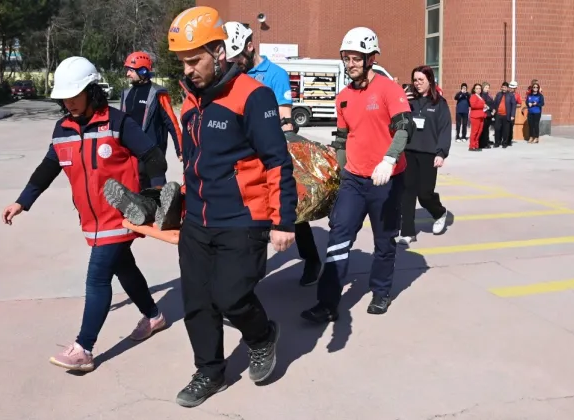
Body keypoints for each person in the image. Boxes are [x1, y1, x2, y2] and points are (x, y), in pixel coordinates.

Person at [0, 56, 169, 373]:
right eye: (64, 97)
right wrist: (23, 201)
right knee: (125, 268)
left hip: (122, 214)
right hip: (90, 219)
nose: (69, 103)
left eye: (75, 95)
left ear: (93, 91)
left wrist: (157, 191)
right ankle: (154, 316)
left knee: (97, 278)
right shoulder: (62, 128)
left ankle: (84, 348)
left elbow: (152, 155)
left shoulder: (118, 122)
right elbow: (49, 167)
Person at [167, 6, 297, 407]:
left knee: (231, 297)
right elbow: (193, 164)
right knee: (197, 302)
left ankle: (261, 336)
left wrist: (283, 221)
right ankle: (209, 371)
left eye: (195, 60)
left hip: (244, 218)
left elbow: (277, 160)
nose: (188, 70)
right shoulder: (190, 104)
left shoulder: (253, 97)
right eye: (182, 62)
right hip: (198, 222)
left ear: (219, 52)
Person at [301, 27, 414, 323]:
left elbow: (404, 128)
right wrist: (335, 176)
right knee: (339, 236)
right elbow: (341, 140)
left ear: (371, 58)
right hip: (354, 178)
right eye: (346, 58)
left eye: (356, 58)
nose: (350, 63)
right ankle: (327, 303)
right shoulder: (343, 98)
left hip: (387, 179)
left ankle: (381, 290)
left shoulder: (390, 89)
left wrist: (389, 160)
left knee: (385, 240)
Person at [223, 20, 322, 287]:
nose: (235, 64)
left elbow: (285, 119)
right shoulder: (233, 75)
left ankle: (311, 259)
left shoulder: (275, 74)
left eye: (238, 58)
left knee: (290, 211)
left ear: (249, 46)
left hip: (270, 154)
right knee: (249, 214)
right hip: (243, 158)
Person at [398, 65, 450, 244]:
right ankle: (407, 232)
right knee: (407, 192)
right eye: (415, 80)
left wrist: (441, 152)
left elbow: (444, 130)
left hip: (429, 153)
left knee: (425, 193)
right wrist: (401, 102)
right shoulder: (408, 100)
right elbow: (395, 119)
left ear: (430, 81)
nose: (417, 83)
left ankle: (439, 212)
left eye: (421, 80)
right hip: (409, 152)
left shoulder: (439, 104)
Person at [120, 51, 183, 189]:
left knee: (159, 199)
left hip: (154, 155)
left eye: (130, 70)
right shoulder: (126, 94)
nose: (127, 74)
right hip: (132, 156)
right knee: (137, 198)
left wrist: (180, 149)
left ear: (142, 70)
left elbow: (171, 122)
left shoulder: (158, 93)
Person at [492, 82, 516, 148]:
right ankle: (497, 143)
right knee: (497, 129)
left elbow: (514, 105)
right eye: (503, 87)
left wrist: (512, 115)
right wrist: (494, 109)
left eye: (505, 87)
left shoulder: (511, 95)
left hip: (506, 115)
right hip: (498, 115)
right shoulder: (498, 94)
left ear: (507, 88)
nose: (504, 88)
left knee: (506, 130)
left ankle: (504, 143)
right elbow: (494, 103)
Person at [468, 83, 486, 152]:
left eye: (479, 88)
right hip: (475, 116)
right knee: (474, 132)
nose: (478, 90)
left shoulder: (480, 97)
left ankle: (476, 145)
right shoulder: (473, 96)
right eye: (477, 88)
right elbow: (473, 105)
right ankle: (471, 146)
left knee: (479, 132)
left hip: (481, 116)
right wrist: (483, 106)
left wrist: (485, 106)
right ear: (474, 90)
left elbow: (482, 105)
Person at [479, 82, 494, 149]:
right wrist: (490, 109)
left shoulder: (489, 95)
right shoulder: (482, 95)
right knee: (484, 129)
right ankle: (483, 143)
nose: (487, 89)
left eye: (488, 87)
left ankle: (487, 140)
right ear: (483, 88)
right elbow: (484, 105)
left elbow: (492, 103)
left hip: (489, 114)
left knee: (487, 129)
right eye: (486, 87)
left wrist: (493, 109)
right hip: (485, 114)